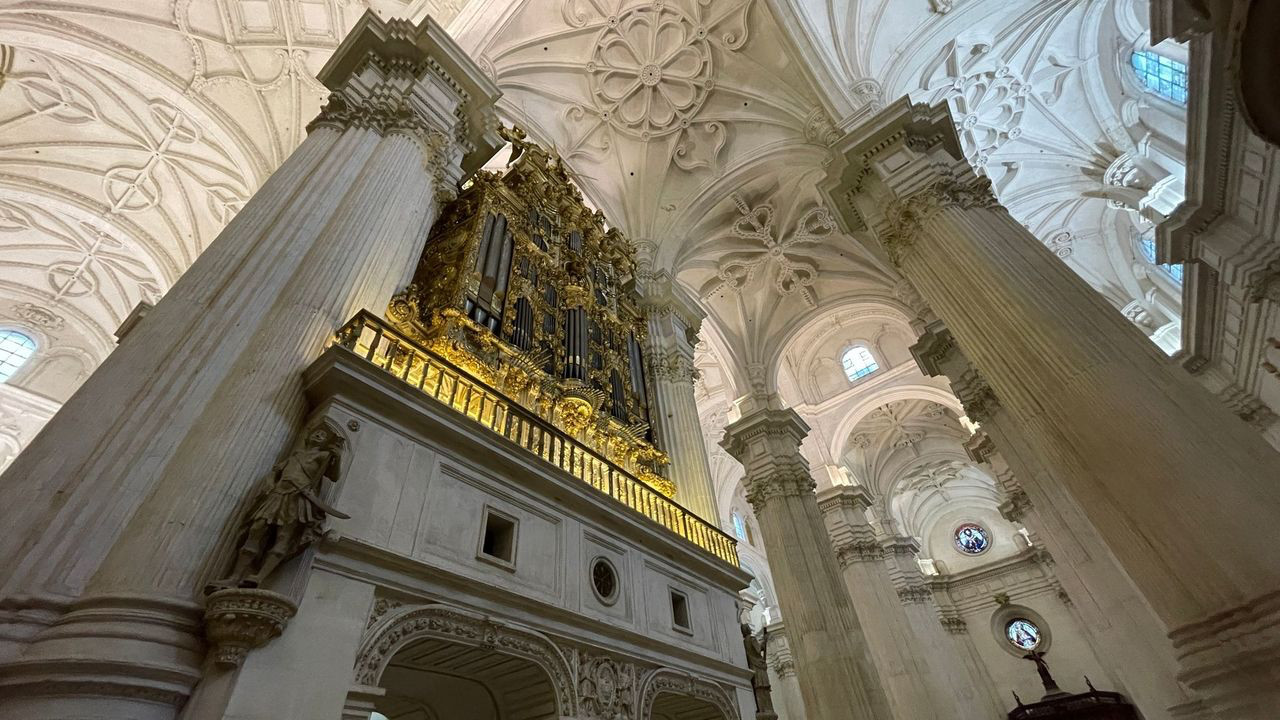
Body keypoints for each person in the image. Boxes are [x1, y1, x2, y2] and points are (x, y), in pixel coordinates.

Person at [208, 422, 349, 591]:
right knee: (255, 530)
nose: (319, 436)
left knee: (284, 537)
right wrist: (270, 482)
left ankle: (259, 577)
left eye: (323, 436)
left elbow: (334, 476)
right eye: (317, 433)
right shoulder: (296, 454)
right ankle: (234, 577)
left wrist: (338, 457)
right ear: (308, 436)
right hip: (277, 494)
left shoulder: (323, 456)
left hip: (298, 497)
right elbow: (276, 471)